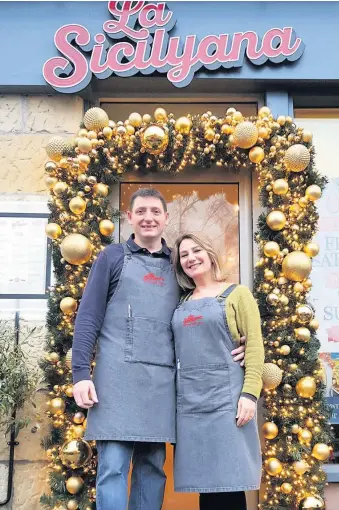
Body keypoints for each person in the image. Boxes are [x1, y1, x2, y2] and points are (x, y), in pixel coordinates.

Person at [72, 188, 246, 510]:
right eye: (141, 212)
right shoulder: (111, 258)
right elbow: (88, 318)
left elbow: (201, 313)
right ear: (130, 218)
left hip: (162, 385)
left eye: (155, 212)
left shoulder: (179, 267)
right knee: (112, 467)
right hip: (115, 381)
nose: (148, 218)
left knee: (152, 469)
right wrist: (81, 373)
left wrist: (239, 342)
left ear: (166, 219)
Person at [171, 232, 265, 510]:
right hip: (190, 404)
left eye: (196, 251)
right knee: (206, 484)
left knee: (229, 480)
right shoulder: (180, 302)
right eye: (184, 255)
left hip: (228, 401)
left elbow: (255, 346)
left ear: (210, 255)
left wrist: (249, 394)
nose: (191, 258)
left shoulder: (237, 294)